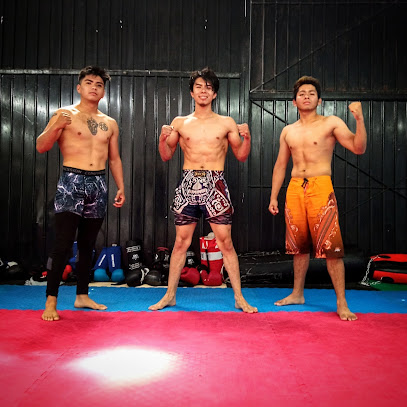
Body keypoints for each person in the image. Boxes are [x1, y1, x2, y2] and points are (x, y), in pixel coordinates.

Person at [149, 67, 257, 313]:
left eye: (208, 87)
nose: (203, 91)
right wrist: (162, 139)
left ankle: (239, 298)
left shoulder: (226, 122)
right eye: (198, 86)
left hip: (215, 184)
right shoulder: (180, 122)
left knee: (226, 242)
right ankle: (170, 296)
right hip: (188, 183)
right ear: (192, 92)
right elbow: (166, 155)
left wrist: (247, 139)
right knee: (180, 242)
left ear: (214, 93)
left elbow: (241, 156)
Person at [268, 76, 367, 321]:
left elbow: (358, 148)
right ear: (294, 102)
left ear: (319, 100)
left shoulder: (330, 123)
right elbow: (280, 165)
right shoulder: (288, 131)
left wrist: (359, 119)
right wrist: (273, 197)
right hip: (294, 188)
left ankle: (342, 303)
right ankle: (297, 294)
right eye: (302, 93)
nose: (307, 96)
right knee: (298, 247)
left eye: (312, 93)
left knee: (331, 248)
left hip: (320, 186)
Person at [37, 66, 125, 321]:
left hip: (98, 183)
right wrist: (56, 126)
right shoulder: (64, 114)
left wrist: (121, 186)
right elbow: (41, 146)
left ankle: (82, 295)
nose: (94, 87)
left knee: (88, 244)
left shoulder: (110, 123)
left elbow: (114, 158)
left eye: (99, 84)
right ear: (79, 87)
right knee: (63, 244)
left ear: (103, 92)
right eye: (89, 83)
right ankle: (51, 301)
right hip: (71, 181)